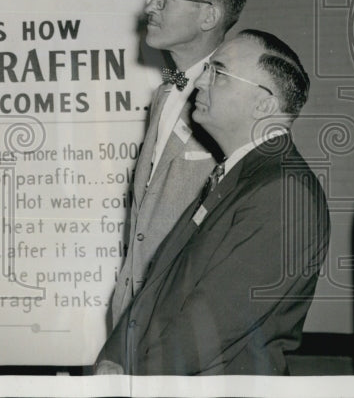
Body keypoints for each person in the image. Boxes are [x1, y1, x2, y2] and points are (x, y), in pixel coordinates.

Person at [96, 30, 330, 375]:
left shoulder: (284, 191)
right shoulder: (236, 177)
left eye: (218, 72)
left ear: (263, 104)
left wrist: (130, 383)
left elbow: (209, 327)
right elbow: (158, 284)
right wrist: (112, 359)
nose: (200, 82)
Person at [109, 0, 246, 327]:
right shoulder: (166, 94)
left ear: (208, 16)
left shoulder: (239, 99)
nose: (150, 5)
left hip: (187, 321)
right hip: (134, 317)